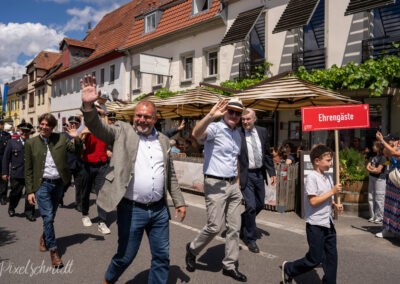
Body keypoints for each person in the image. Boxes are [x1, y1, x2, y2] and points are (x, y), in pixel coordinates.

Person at [80, 75, 186, 284]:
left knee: (161, 256)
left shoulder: (164, 141)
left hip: (158, 210)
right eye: (138, 116)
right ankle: (108, 280)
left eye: (147, 117)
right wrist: (88, 105)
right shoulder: (122, 132)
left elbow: (170, 174)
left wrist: (179, 200)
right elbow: (98, 128)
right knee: (125, 256)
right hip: (131, 209)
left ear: (155, 119)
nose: (142, 120)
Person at [186, 97, 247, 282]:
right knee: (214, 226)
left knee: (235, 228)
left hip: (232, 185)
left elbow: (234, 159)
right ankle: (192, 249)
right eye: (231, 111)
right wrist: (211, 115)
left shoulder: (238, 133)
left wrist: (237, 182)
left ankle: (229, 265)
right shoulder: (215, 128)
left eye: (238, 113)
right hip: (215, 183)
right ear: (225, 111)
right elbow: (196, 134)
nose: (234, 115)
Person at [26, 113, 82, 269]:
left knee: (50, 217)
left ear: (52, 127)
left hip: (58, 184)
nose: (44, 127)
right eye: (42, 124)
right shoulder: (31, 143)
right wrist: (30, 191)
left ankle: (45, 236)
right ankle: (54, 251)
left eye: (47, 125)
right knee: (48, 217)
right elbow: (28, 169)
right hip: (42, 185)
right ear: (39, 125)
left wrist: (76, 138)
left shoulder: (62, 139)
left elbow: (77, 152)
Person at [281, 144, 343, 284]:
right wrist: (332, 192)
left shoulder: (328, 177)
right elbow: (313, 201)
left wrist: (335, 204)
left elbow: (328, 198)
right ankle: (289, 268)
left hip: (328, 223)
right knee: (314, 259)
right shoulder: (311, 178)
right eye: (327, 160)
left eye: (331, 160)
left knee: (332, 258)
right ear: (316, 161)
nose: (330, 163)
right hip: (315, 225)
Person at [238, 108, 276, 253]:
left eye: (248, 119)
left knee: (260, 204)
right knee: (251, 206)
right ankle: (250, 238)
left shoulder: (262, 131)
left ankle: (244, 221)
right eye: (243, 119)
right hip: (246, 174)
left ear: (254, 119)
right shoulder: (238, 133)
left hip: (259, 174)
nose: (245, 122)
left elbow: (267, 153)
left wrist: (271, 171)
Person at [79, 124, 110, 234]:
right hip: (88, 165)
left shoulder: (104, 129)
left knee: (102, 193)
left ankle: (102, 221)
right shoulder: (86, 127)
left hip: (102, 165)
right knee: (85, 192)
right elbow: (78, 144)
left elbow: (109, 142)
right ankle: (85, 214)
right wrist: (83, 134)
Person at [2, 122, 36, 221]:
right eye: (23, 131)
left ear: (30, 132)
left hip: (30, 174)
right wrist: (5, 172)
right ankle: (12, 207)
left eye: (27, 131)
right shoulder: (11, 142)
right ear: (19, 131)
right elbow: (6, 158)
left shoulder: (33, 143)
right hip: (16, 173)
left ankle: (29, 212)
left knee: (30, 193)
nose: (24, 133)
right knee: (15, 193)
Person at [375, 132, 400, 238]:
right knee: (390, 206)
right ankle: (389, 229)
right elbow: (386, 153)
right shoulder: (393, 148)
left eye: (391, 140)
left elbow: (395, 154)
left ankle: (395, 230)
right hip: (393, 181)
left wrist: (382, 141)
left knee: (397, 208)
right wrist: (390, 145)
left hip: (398, 180)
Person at [60, 116, 84, 211]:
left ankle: (79, 204)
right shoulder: (63, 135)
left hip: (79, 163)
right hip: (67, 163)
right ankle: (59, 196)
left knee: (79, 185)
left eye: (76, 124)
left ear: (78, 125)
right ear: (69, 124)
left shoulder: (82, 134)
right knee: (66, 183)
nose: (73, 125)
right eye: (71, 123)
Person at [366, 140, 387, 224]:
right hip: (372, 177)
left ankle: (379, 217)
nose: (372, 147)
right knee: (371, 196)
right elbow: (367, 167)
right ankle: (372, 216)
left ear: (379, 147)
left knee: (379, 197)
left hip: (380, 179)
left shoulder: (383, 157)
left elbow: (379, 170)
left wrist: (372, 169)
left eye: (374, 146)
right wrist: (373, 169)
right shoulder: (372, 156)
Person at [0, 117, 11, 205]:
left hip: (4, 159)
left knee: (4, 178)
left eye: (1, 124)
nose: (1, 125)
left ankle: (3, 197)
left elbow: (9, 149)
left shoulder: (7, 135)